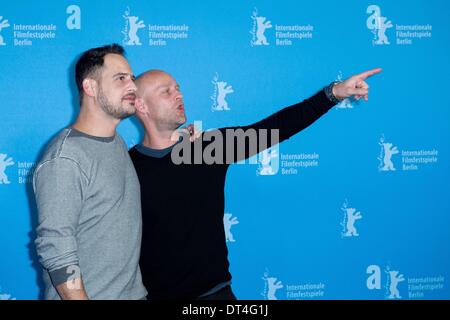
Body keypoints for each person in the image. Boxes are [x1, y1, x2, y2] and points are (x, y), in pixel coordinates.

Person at [130, 68, 381, 299]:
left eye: (178, 88)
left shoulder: (208, 148)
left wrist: (333, 93)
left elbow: (276, 127)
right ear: (141, 105)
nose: (179, 95)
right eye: (167, 91)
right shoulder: (127, 167)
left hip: (215, 296)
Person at [33, 44, 147, 300]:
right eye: (120, 79)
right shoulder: (65, 158)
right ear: (90, 87)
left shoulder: (115, 142)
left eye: (132, 78)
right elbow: (56, 247)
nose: (132, 87)